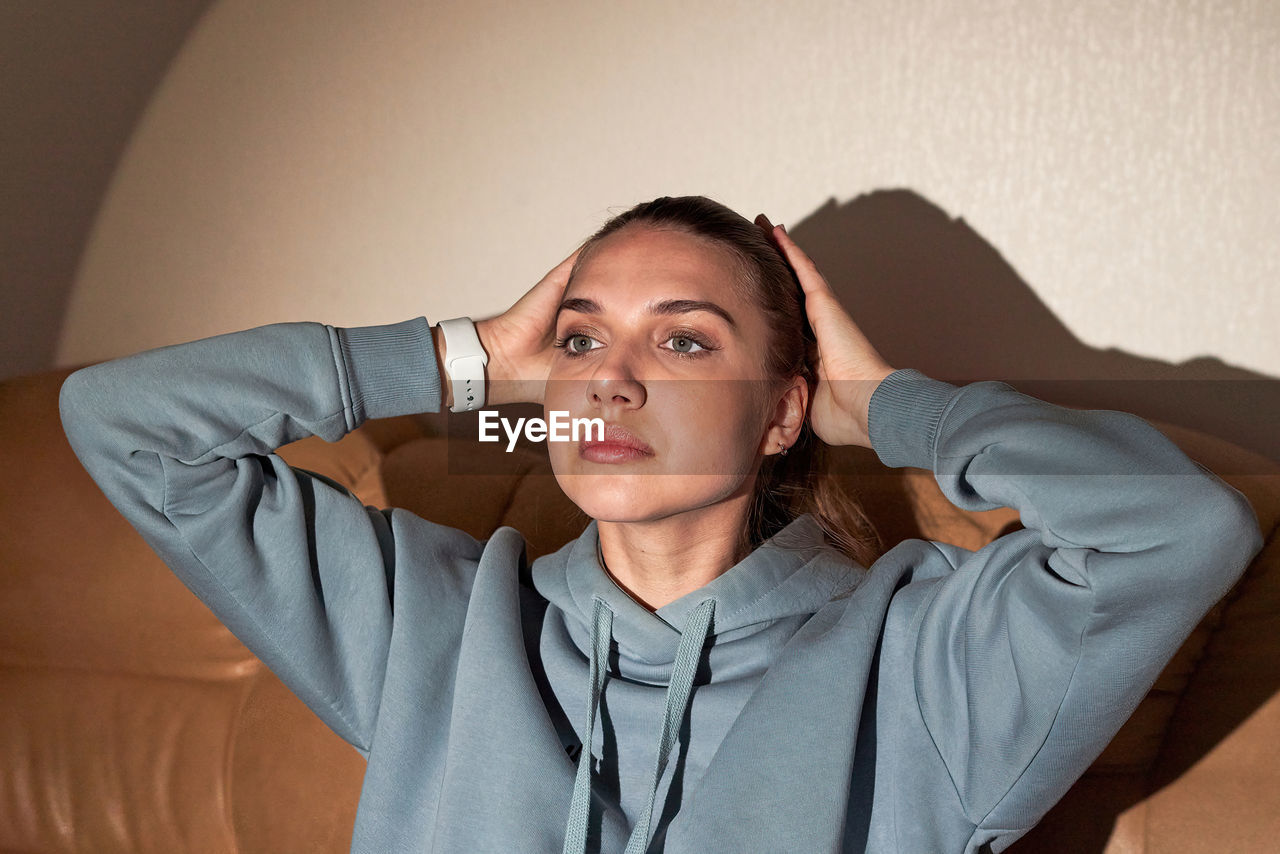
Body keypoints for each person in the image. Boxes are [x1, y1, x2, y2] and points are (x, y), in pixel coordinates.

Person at [59, 196, 1264, 854]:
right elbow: (122, 423)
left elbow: (1177, 527)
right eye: (580, 339)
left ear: (784, 409)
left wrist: (890, 406)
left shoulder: (925, 660)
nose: (608, 381)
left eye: (683, 340)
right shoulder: (431, 626)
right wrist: (462, 357)